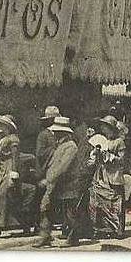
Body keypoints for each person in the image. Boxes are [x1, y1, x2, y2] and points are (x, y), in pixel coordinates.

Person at [0, 114, 37, 239]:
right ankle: (24, 224)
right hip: (3, 168)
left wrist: (14, 172)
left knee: (2, 197)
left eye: (3, 125)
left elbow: (15, 156)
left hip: (10, 169)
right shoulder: (3, 139)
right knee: (9, 198)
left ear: (8, 127)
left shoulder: (13, 139)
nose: (0, 128)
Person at [35, 117, 78, 248]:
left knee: (69, 212)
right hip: (55, 184)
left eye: (58, 132)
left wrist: (48, 180)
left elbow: (63, 167)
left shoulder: (71, 146)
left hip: (67, 185)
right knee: (45, 209)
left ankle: (73, 237)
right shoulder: (59, 146)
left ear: (64, 133)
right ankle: (45, 236)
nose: (55, 134)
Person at [58, 119, 96, 246]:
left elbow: (88, 163)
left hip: (79, 179)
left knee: (74, 208)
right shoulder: (77, 143)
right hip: (74, 179)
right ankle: (80, 232)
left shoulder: (80, 145)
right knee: (73, 207)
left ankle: (73, 236)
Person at [88, 115, 127, 239]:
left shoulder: (119, 142)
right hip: (102, 174)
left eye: (106, 127)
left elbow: (122, 160)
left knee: (116, 203)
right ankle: (105, 228)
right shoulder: (103, 141)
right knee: (101, 202)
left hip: (114, 175)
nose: (103, 129)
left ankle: (118, 229)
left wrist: (109, 156)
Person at [34, 105, 61, 175]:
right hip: (44, 169)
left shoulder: (60, 133)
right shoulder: (43, 135)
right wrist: (54, 149)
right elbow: (40, 153)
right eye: (52, 119)